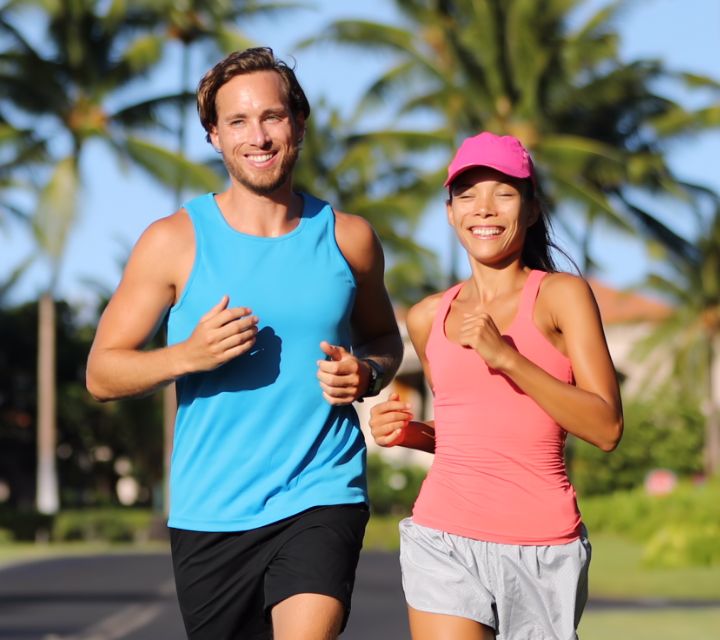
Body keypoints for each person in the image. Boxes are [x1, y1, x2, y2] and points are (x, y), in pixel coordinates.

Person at [86, 47, 403, 640]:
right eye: (237, 121)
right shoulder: (172, 242)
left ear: (298, 125)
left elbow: (384, 338)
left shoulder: (350, 239)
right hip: (212, 510)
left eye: (272, 117)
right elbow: (102, 374)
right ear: (214, 136)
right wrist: (187, 356)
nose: (257, 136)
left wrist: (368, 373)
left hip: (322, 492)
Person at [369, 131, 623, 640]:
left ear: (530, 210)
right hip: (443, 534)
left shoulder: (561, 297)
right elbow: (472, 434)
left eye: (503, 193)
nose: (484, 209)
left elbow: (606, 426)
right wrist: (410, 432)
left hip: (542, 545)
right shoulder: (426, 317)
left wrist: (509, 358)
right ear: (449, 211)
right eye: (467, 195)